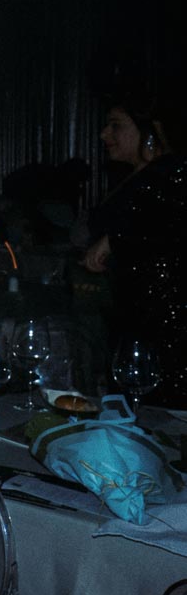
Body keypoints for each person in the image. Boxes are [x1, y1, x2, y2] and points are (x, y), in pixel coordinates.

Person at [84, 96, 186, 405]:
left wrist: (114, 237)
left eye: (116, 125)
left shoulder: (171, 172)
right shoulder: (145, 176)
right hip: (135, 314)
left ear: (151, 129)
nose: (104, 134)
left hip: (164, 323)